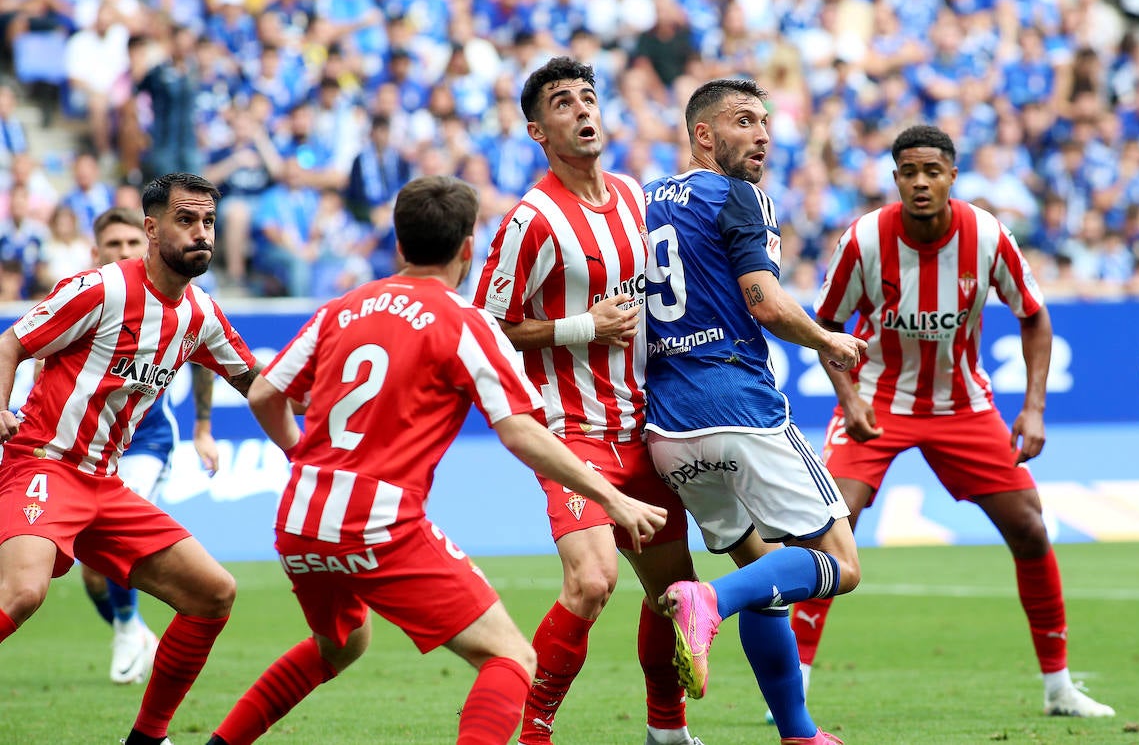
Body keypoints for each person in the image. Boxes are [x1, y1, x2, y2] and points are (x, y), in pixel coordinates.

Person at [203, 175, 667, 745]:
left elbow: (264, 395)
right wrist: (612, 496)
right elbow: (521, 432)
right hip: (378, 521)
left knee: (341, 645)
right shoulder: (463, 322)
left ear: (398, 245)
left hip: (300, 516)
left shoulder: (342, 309)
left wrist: (298, 452)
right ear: (468, 249)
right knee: (511, 659)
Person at [786, 125, 1116, 719]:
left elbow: (1034, 318)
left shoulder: (987, 235)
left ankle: (1059, 687)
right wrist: (849, 398)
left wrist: (1034, 407)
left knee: (1031, 528)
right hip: (877, 400)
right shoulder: (863, 240)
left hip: (963, 404)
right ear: (895, 179)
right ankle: (795, 684)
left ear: (951, 177)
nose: (920, 182)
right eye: (909, 172)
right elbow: (825, 328)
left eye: (931, 172)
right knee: (832, 527)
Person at [473, 57, 703, 745]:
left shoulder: (636, 197)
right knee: (594, 579)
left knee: (673, 591)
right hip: (568, 430)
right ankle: (534, 729)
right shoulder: (532, 218)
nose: (582, 109)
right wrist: (583, 326)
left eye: (588, 97)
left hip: (642, 426)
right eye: (563, 102)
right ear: (539, 130)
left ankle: (667, 729)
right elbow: (485, 328)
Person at [0, 172, 261, 745]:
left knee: (213, 594)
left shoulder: (201, 314)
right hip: (43, 463)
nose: (203, 234)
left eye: (210, 223)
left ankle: (146, 740)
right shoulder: (101, 288)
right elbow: (10, 343)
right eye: (187, 220)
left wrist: (326, 413)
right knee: (22, 594)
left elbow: (261, 386)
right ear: (151, 227)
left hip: (103, 483)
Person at [642, 78, 866, 745]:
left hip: (667, 426)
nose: (763, 133)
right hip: (739, 406)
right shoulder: (738, 195)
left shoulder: (639, 202)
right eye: (744, 120)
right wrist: (827, 338)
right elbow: (764, 301)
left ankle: (797, 730)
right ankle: (705, 601)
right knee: (840, 565)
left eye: (766, 121)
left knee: (761, 565)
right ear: (703, 135)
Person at [59, 207, 222, 685]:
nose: (126, 253)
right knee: (92, 571)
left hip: (145, 441)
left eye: (133, 243)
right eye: (114, 246)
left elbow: (206, 359)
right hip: (84, 447)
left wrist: (205, 427)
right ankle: (132, 632)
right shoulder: (90, 297)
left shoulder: (180, 300)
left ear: (147, 242)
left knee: (112, 544)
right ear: (96, 253)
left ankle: (130, 630)